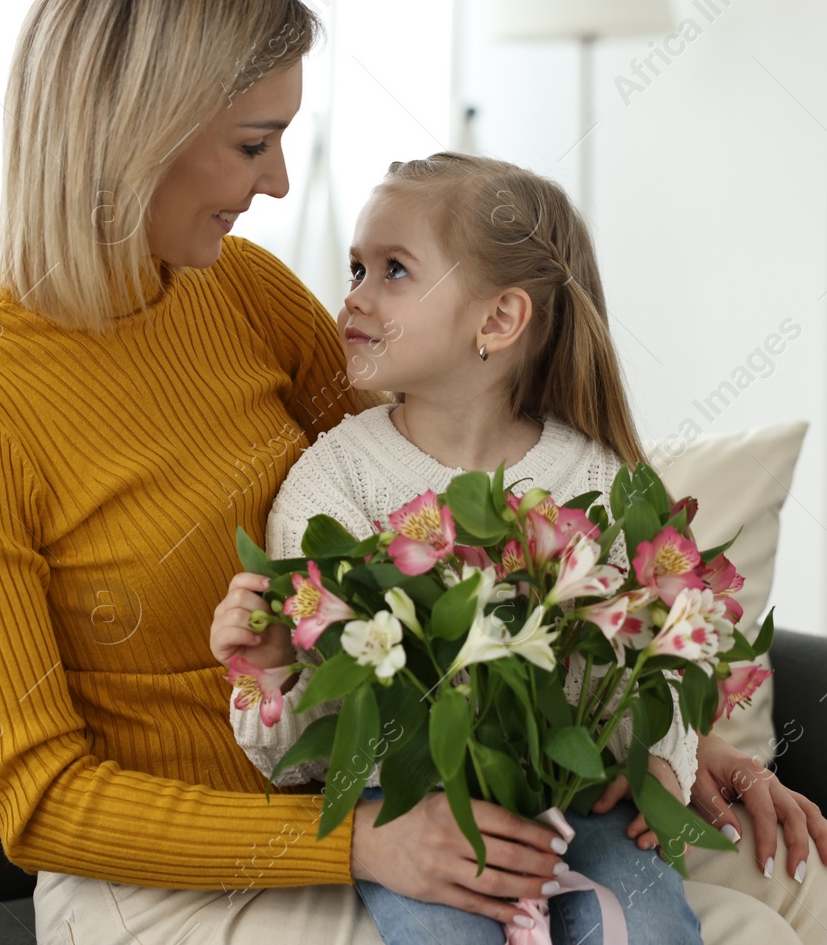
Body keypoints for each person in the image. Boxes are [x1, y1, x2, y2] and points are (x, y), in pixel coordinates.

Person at [0, 0, 827, 945]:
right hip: (180, 872)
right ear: (138, 132)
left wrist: (670, 736)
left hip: (379, 787)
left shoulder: (237, 288)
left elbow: (439, 484)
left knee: (797, 882)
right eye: (255, 142)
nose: (279, 181)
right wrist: (360, 840)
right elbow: (42, 801)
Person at [213, 153, 708, 944]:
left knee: (649, 925)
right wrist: (272, 664)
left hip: (580, 800)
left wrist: (662, 763)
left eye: (394, 270)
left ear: (499, 320)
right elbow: (303, 761)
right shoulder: (330, 483)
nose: (354, 296)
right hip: (410, 810)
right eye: (356, 267)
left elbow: (658, 652)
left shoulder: (596, 477)